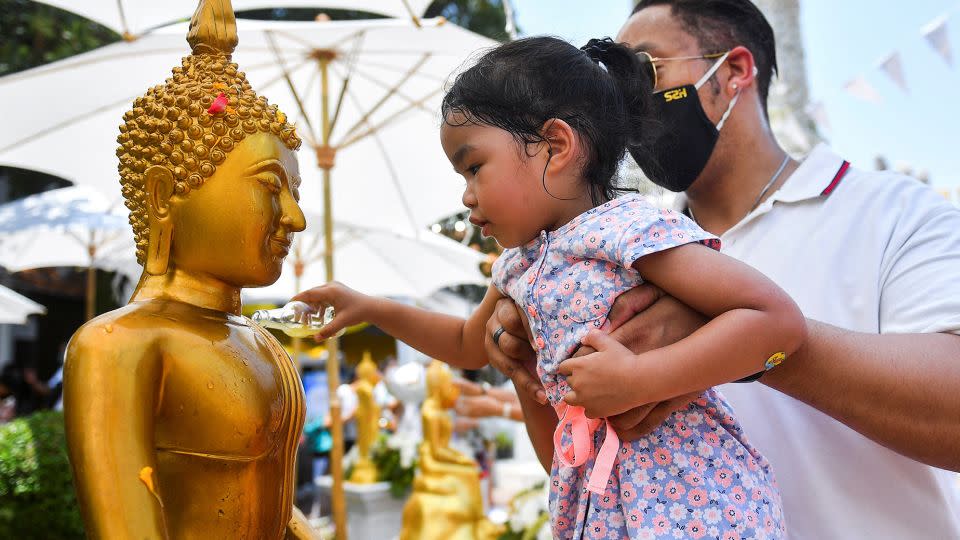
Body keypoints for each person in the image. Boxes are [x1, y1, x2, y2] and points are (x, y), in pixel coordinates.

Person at [295, 36, 807, 539]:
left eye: (474, 167)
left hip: (695, 498)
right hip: (597, 503)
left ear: (555, 146)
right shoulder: (517, 268)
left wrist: (642, 380)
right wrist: (373, 308)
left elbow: (774, 320)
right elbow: (466, 346)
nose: (467, 197)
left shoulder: (629, 230)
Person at [484, 1, 960, 537]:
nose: (626, 103)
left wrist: (742, 341)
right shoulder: (620, 251)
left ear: (733, 71)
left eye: (646, 70)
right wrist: (532, 367)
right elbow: (588, 474)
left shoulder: (895, 212)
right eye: (617, 83)